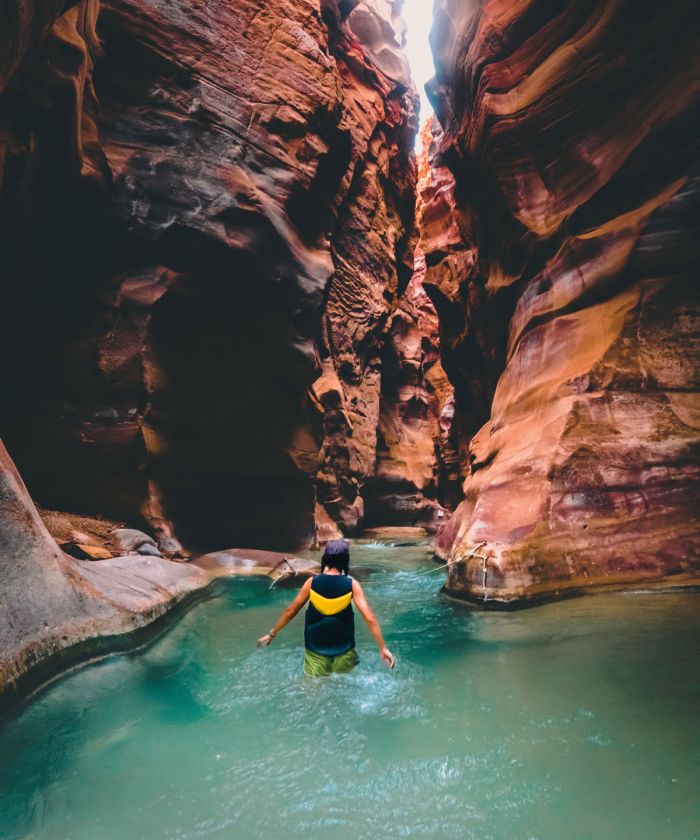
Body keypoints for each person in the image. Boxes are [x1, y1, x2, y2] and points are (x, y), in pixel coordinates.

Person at [257, 539, 395, 676]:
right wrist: (382, 648)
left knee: (314, 688)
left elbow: (290, 611)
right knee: (343, 686)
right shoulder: (352, 585)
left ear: (325, 559)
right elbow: (369, 617)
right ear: (345, 560)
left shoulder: (311, 583)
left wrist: (272, 633)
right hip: (344, 651)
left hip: (315, 651)